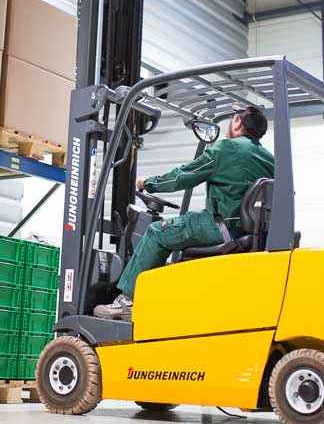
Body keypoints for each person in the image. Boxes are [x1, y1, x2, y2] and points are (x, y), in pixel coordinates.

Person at [93, 105, 275, 320]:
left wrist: (148, 184)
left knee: (156, 233)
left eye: (232, 119)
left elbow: (184, 176)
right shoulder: (268, 159)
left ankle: (127, 301)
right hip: (244, 230)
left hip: (219, 226)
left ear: (237, 122)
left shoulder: (228, 148)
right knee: (175, 230)